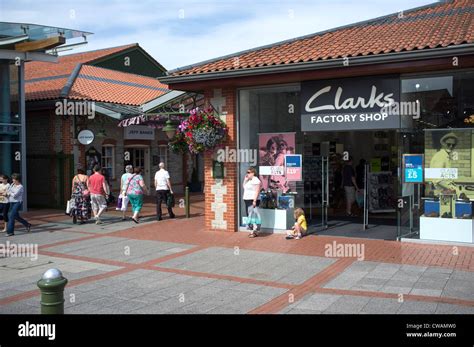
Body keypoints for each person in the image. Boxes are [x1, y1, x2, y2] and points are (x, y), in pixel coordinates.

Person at [242, 167, 262, 237]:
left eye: (248, 172)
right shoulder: (249, 180)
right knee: (249, 215)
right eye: (247, 172)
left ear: (253, 173)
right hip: (247, 199)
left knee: (253, 216)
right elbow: (244, 187)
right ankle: (252, 230)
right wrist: (245, 179)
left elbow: (257, 191)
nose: (247, 174)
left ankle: (254, 231)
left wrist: (254, 200)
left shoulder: (256, 181)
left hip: (252, 200)